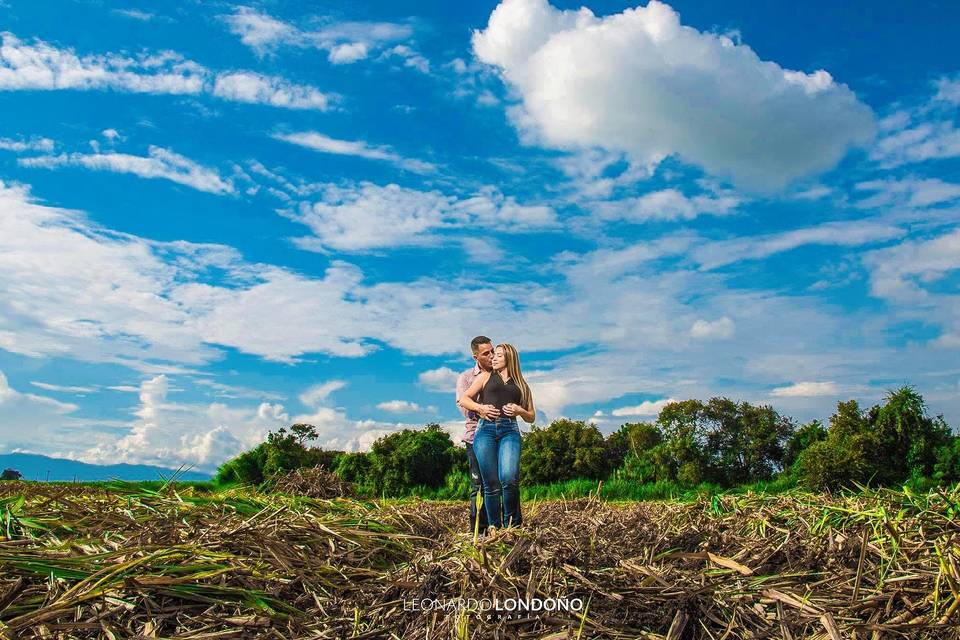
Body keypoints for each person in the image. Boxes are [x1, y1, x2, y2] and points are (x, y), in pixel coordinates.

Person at [457, 343, 535, 531]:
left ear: (509, 358)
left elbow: (531, 416)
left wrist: (520, 410)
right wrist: (480, 408)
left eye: (498, 355)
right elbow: (464, 399)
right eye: (493, 354)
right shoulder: (485, 377)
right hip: (486, 431)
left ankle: (512, 526)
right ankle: (494, 527)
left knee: (508, 478)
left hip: (510, 431)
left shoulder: (522, 385)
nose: (494, 357)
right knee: (490, 483)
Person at [455, 335, 495, 536]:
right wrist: (481, 409)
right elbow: (464, 406)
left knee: (500, 483)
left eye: (493, 351)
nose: (491, 356)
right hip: (474, 438)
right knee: (478, 485)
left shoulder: (501, 375)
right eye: (486, 353)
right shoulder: (466, 378)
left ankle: (502, 529)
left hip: (499, 436)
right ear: (475, 356)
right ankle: (479, 532)